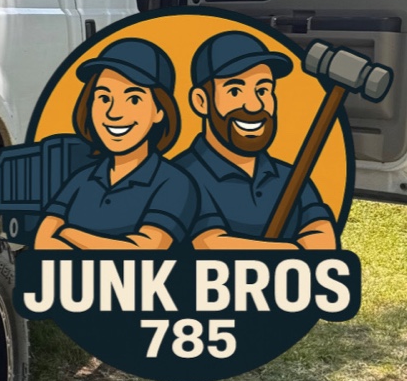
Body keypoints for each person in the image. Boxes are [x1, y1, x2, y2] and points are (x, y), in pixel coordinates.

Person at [174, 29, 337, 250]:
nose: (254, 105)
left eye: (262, 90)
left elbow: (323, 237)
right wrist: (298, 252)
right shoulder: (179, 177)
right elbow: (210, 246)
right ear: (201, 101)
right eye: (234, 91)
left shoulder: (292, 176)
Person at [34, 37, 197, 250]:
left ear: (159, 110)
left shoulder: (174, 182)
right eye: (103, 98)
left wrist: (68, 232)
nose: (114, 113)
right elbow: (43, 242)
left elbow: (145, 250)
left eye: (134, 99)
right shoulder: (82, 178)